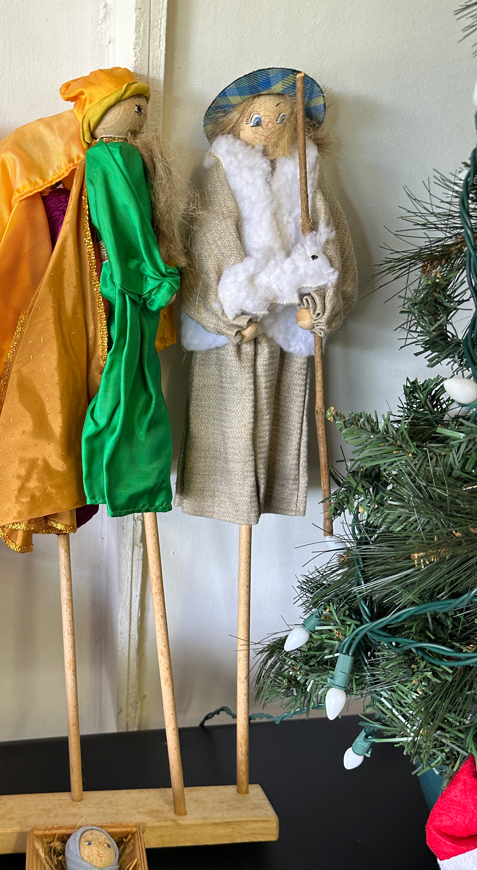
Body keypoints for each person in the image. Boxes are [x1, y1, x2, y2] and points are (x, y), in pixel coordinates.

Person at [0, 68, 182, 552]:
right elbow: (130, 237)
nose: (139, 119)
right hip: (79, 306)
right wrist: (153, 276)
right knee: (67, 402)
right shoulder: (107, 161)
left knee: (95, 397)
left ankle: (85, 483)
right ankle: (73, 487)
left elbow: (128, 232)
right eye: (132, 107)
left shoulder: (113, 160)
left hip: (105, 308)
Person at [176, 68, 358, 526]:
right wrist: (234, 308)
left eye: (282, 118)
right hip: (239, 328)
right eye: (256, 119)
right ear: (235, 124)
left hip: (289, 322)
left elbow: (328, 237)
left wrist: (318, 302)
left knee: (281, 415)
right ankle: (228, 499)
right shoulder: (223, 173)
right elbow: (212, 235)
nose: (270, 127)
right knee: (231, 420)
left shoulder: (307, 175)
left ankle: (271, 494)